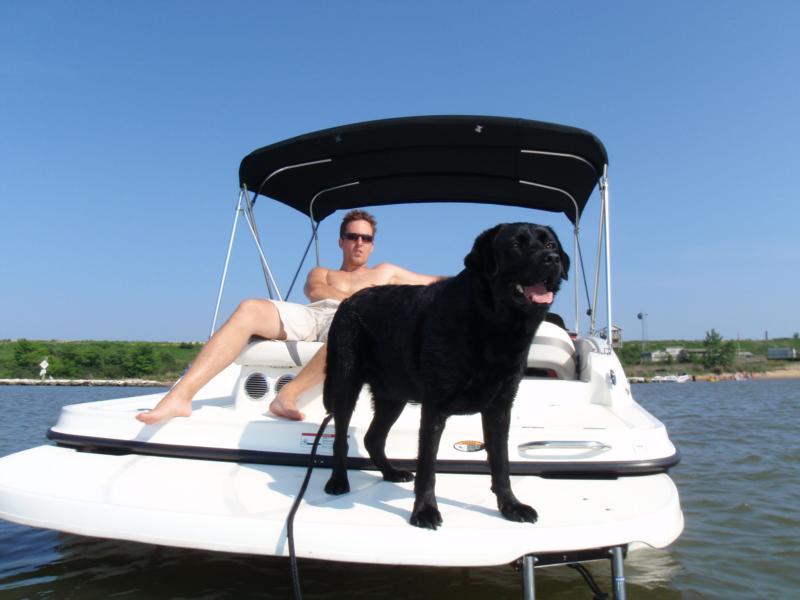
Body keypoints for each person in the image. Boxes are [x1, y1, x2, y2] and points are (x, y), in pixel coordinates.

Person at [136, 209, 442, 424]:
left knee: (354, 328)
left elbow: (436, 283)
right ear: (341, 241)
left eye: (365, 238)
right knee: (249, 308)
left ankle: (286, 395)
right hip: (316, 316)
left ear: (373, 244)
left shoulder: (387, 272)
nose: (358, 243)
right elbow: (317, 291)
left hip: (355, 324)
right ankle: (181, 396)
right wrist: (365, 300)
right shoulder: (322, 271)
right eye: (352, 236)